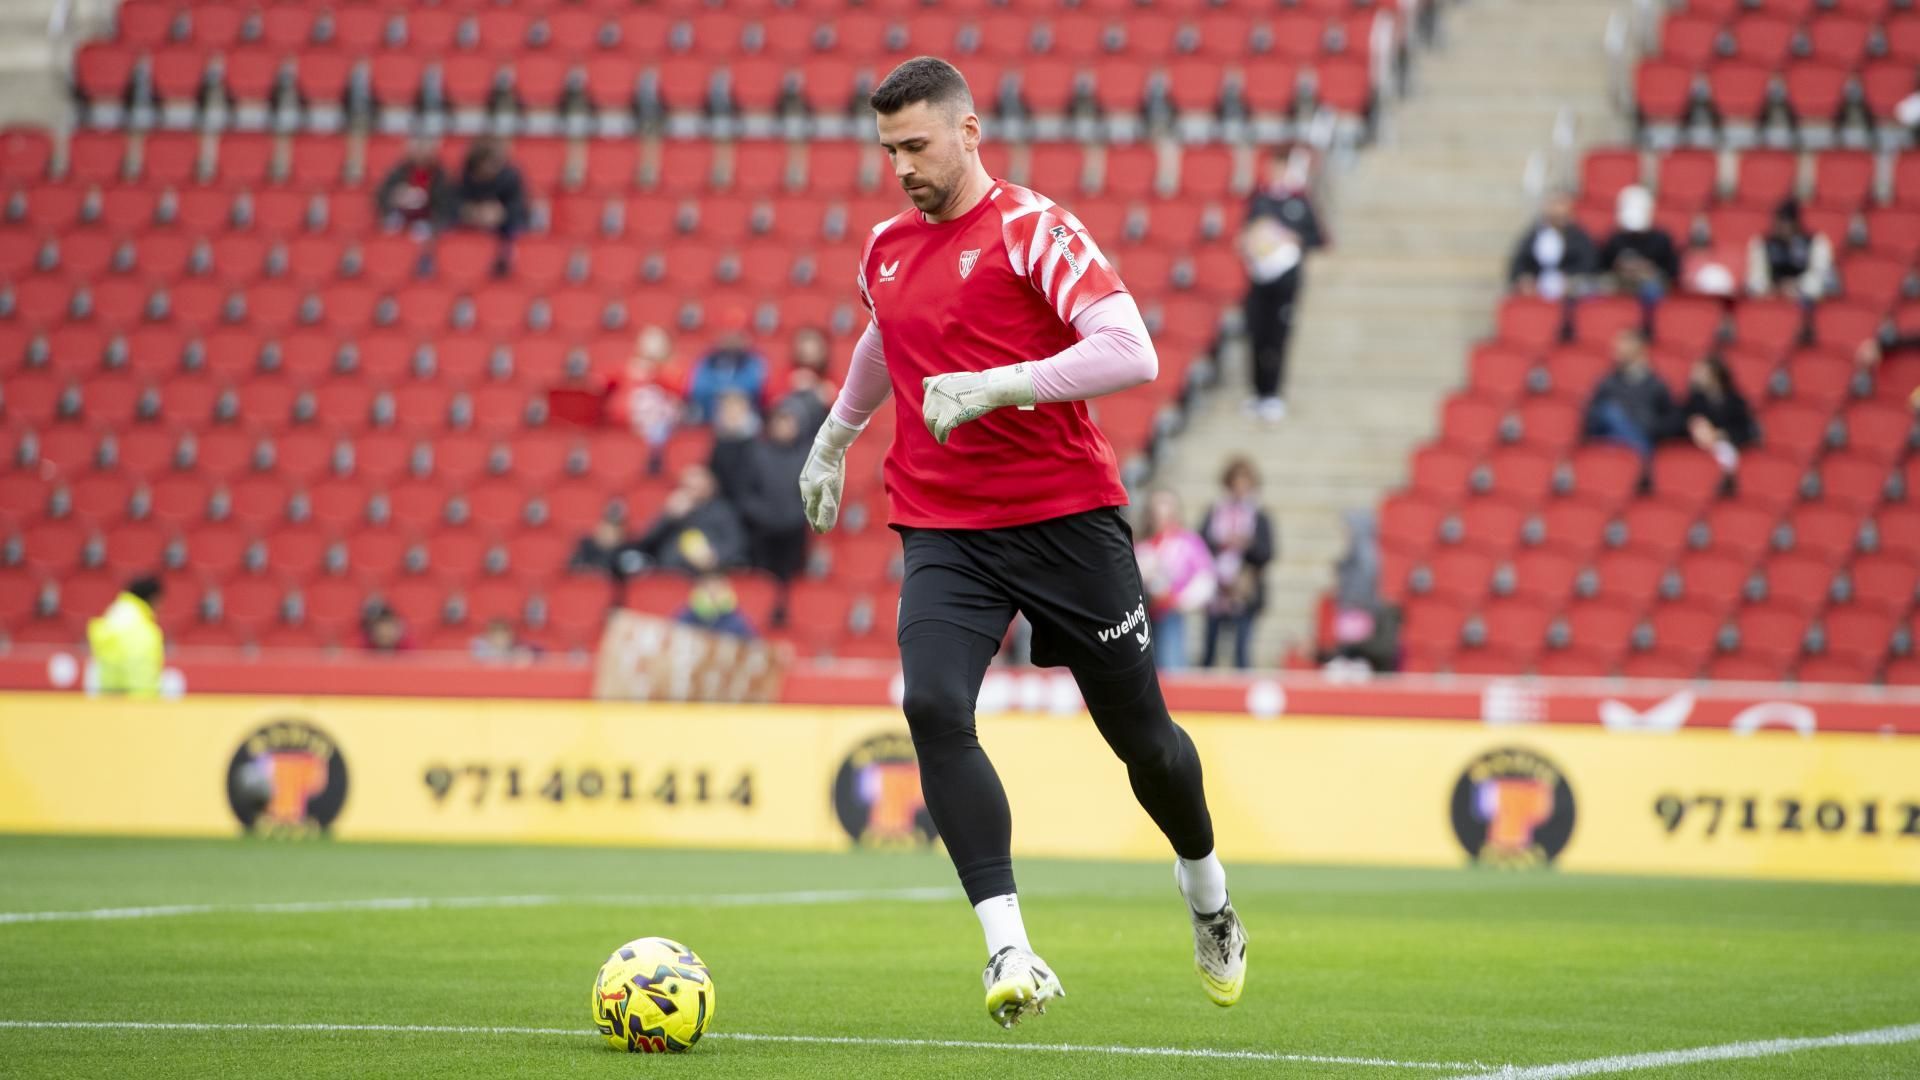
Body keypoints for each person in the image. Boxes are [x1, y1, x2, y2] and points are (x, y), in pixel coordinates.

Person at [796, 57, 1246, 1028]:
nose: (903, 167)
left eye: (916, 145)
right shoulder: (883, 247)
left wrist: (1003, 383)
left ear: (969, 133)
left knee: (1146, 745)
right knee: (932, 704)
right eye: (888, 151)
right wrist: (836, 436)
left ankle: (1206, 890)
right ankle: (1010, 950)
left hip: (1065, 521)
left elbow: (1131, 349)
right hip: (947, 526)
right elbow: (887, 335)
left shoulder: (1031, 229)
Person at [1238, 148, 1324, 423]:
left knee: (1278, 337)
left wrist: (1292, 238)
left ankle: (1273, 393)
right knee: (1256, 335)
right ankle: (1258, 390)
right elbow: (1247, 233)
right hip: (1260, 278)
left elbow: (1317, 238)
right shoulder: (1260, 200)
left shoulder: (1300, 203)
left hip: (1286, 281)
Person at [1198, 457, 1275, 670]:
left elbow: (1267, 552)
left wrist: (1246, 545)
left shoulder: (1259, 516)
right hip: (1217, 590)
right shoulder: (1215, 512)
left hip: (1244, 591)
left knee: (1242, 650)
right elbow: (1199, 545)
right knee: (1210, 648)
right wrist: (1221, 543)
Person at [1135, 489, 1217, 673]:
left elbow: (1205, 578)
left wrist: (1180, 600)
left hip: (1170, 614)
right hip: (1141, 616)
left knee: (1171, 660)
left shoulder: (1188, 542)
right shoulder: (1140, 544)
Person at [734, 402, 813, 590]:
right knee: (760, 582)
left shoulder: (807, 456)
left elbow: (813, 495)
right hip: (761, 532)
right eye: (779, 422)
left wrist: (794, 516)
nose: (784, 427)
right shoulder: (755, 453)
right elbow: (744, 492)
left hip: (794, 533)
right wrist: (763, 515)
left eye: (789, 422)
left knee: (790, 582)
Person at [1583, 327, 1677, 471]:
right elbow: (1591, 419)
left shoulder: (1657, 385)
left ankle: (1640, 456)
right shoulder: (1608, 382)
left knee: (1611, 412)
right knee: (1609, 413)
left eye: (1624, 342)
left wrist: (1649, 424)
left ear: (1639, 347)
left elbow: (1670, 422)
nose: (1617, 346)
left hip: (1643, 441)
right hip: (1611, 444)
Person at [636, 464, 747, 574]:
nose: (693, 492)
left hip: (710, 572)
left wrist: (715, 556)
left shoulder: (722, 510)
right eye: (688, 487)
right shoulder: (672, 510)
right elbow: (647, 542)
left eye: (697, 487)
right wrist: (669, 516)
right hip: (673, 573)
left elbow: (736, 541)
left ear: (710, 486)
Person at [606, 325, 684, 476]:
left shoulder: (674, 369)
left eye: (656, 342)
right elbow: (603, 381)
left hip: (659, 429)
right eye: (647, 341)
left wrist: (653, 373)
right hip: (626, 426)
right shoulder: (628, 368)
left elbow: (679, 389)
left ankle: (653, 460)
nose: (650, 347)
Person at [1680, 356, 1758, 494]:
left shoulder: (1735, 401)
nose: (1696, 375)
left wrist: (1721, 434)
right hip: (1699, 447)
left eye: (1701, 371)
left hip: (1727, 444)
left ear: (1714, 374)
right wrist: (1695, 427)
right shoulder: (1695, 400)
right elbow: (1681, 420)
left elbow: (1747, 430)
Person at [454, 137, 529, 277]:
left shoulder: (510, 176)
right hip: (470, 230)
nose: (491, 169)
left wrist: (501, 214)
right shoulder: (464, 177)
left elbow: (519, 209)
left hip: (503, 229)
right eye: (486, 165)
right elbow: (452, 205)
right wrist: (472, 212)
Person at [1598, 185, 1681, 312]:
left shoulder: (1662, 239)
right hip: (1621, 283)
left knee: (1652, 290)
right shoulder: (1615, 238)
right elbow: (1602, 266)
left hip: (1650, 287)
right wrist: (1620, 268)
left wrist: (1650, 271)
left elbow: (1672, 273)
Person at [1508, 191, 1598, 300]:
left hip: (1569, 294)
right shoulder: (1535, 235)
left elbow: (1588, 264)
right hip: (1538, 291)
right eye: (1553, 204)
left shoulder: (1579, 237)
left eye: (1561, 204)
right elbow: (1520, 262)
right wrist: (1525, 278)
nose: (1557, 209)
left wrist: (1570, 280)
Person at [86, 575, 164, 697]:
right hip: (133, 708)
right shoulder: (142, 630)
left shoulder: (113, 615)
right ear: (153, 598)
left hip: (106, 702)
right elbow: (142, 678)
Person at [686, 316, 770, 425]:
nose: (731, 340)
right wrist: (723, 393)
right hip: (710, 413)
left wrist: (732, 394)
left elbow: (756, 386)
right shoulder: (707, 359)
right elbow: (698, 387)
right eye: (727, 334)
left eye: (736, 335)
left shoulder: (754, 360)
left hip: (745, 415)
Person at [1746, 199, 1834, 302]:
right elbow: (1755, 279)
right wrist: (1775, 288)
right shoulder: (1762, 243)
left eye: (1787, 222)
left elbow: (1820, 276)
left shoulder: (1816, 242)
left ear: (1796, 223)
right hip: (1772, 298)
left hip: (1805, 300)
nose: (1783, 227)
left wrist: (1796, 285)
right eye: (1780, 222)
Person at [374, 135, 452, 236]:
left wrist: (426, 201)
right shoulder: (399, 171)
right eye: (418, 148)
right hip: (400, 218)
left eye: (423, 148)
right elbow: (381, 195)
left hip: (428, 221)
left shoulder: (441, 175)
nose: (420, 153)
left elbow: (446, 206)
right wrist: (395, 197)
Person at [776, 326, 837, 440]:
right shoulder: (787, 374)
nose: (809, 353)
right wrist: (792, 387)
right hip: (788, 439)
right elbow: (771, 401)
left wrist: (817, 388)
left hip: (820, 435)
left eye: (814, 348)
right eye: (805, 349)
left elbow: (844, 405)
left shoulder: (830, 378)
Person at [706, 389, 763, 508]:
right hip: (722, 505)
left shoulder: (759, 442)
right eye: (725, 410)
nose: (730, 415)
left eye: (734, 410)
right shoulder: (718, 442)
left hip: (749, 508)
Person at [674, 573, 757, 639]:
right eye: (707, 587)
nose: (713, 593)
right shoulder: (686, 615)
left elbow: (754, 646)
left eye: (718, 588)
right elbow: (673, 636)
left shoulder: (737, 620)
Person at [470, 618, 538, 663]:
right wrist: (510, 657)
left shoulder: (517, 646)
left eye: (503, 635)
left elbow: (538, 652)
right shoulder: (479, 646)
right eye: (496, 634)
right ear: (489, 635)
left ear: (510, 635)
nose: (500, 638)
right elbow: (479, 656)